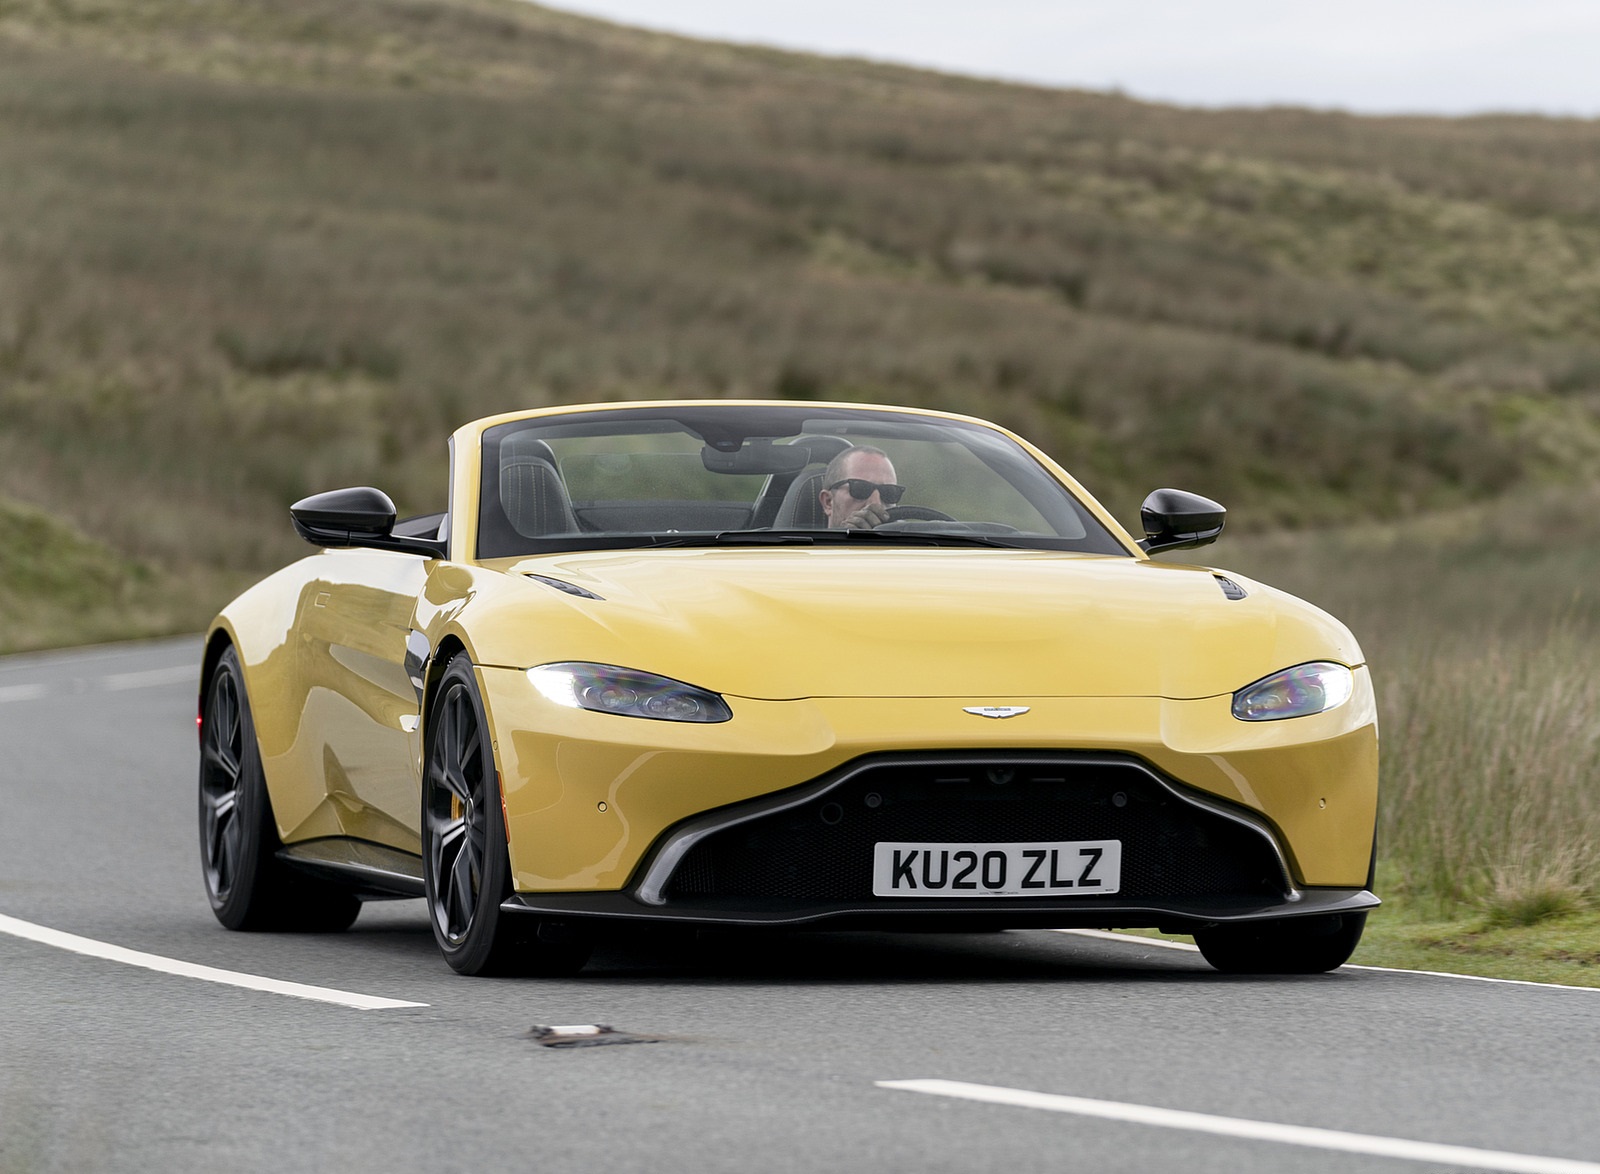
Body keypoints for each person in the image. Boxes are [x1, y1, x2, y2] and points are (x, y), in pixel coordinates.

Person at [819, 446, 906, 529]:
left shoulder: (911, 541)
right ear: (828, 502)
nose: (876, 504)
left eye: (888, 492)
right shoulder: (809, 545)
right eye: (861, 489)